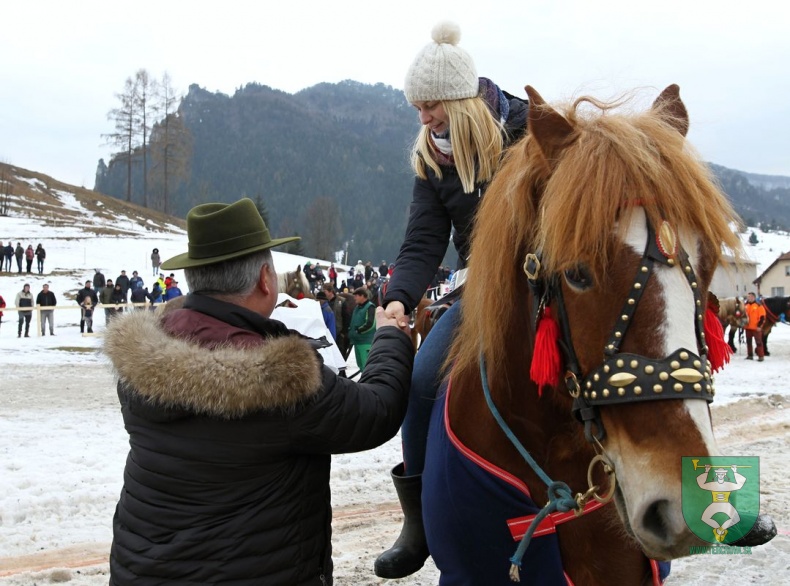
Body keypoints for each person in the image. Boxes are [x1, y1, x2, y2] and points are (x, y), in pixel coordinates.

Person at [103, 198, 414, 585]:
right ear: (266, 279)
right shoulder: (277, 376)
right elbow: (375, 412)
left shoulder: (147, 354)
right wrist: (390, 339)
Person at [377, 21, 529, 578]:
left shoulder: (528, 129)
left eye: (432, 105)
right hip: (487, 290)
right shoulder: (431, 158)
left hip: (554, 282)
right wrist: (398, 298)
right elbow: (422, 240)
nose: (423, 118)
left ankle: (711, 502)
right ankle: (418, 523)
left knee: (642, 358)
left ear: (463, 100)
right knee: (420, 380)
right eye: (417, 107)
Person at [349, 287, 376, 371]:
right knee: (361, 365)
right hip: (357, 341)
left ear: (363, 296)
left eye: (356, 296)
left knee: (366, 366)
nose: (354, 298)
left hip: (365, 342)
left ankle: (369, 382)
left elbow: (370, 324)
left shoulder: (370, 307)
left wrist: (358, 330)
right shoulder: (357, 308)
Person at [744, 292, 766, 361]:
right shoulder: (745, 305)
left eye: (750, 297)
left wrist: (759, 326)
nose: (749, 298)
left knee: (759, 342)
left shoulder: (759, 306)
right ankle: (750, 355)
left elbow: (762, 317)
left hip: (756, 328)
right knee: (748, 342)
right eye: (748, 297)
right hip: (747, 328)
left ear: (754, 297)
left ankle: (761, 356)